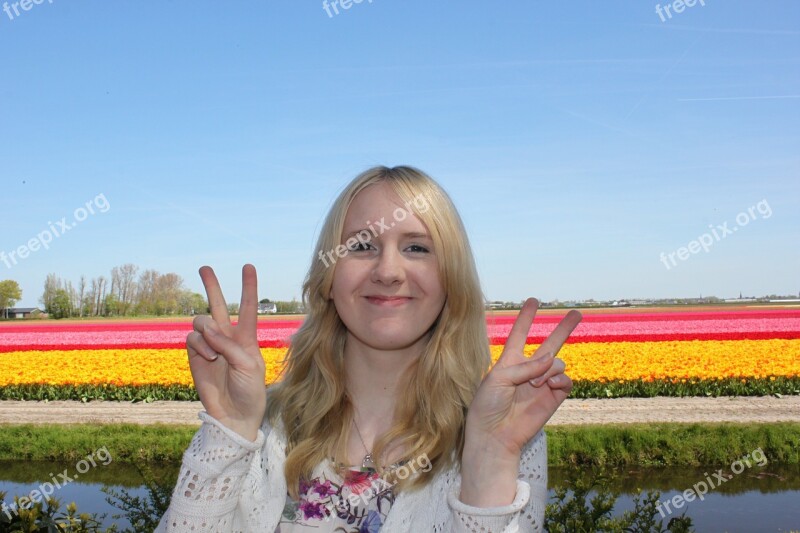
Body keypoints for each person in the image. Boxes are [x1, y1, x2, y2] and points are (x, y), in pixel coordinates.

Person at [155, 165, 582, 532]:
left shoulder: (503, 433)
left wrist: (488, 461)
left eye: (417, 248)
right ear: (329, 277)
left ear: (451, 277)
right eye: (361, 246)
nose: (389, 271)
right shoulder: (260, 426)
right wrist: (228, 430)